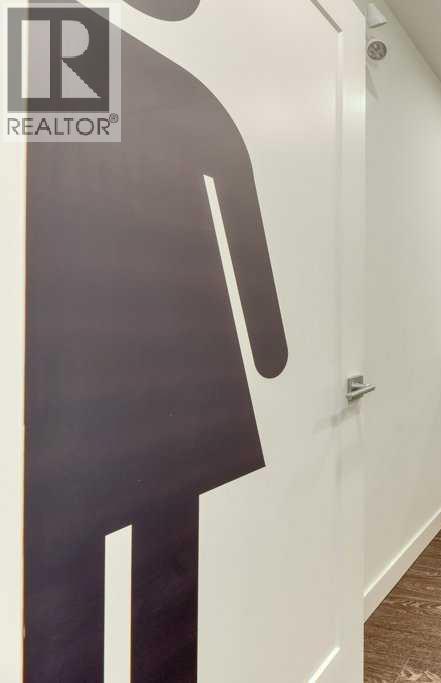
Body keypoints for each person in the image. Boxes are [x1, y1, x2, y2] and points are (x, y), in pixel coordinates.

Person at [23, 1, 287, 680]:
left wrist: (269, 344)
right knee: (157, 569)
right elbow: (238, 192)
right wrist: (268, 343)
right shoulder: (150, 76)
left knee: (72, 577)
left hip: (87, 372)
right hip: (172, 370)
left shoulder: (67, 45)